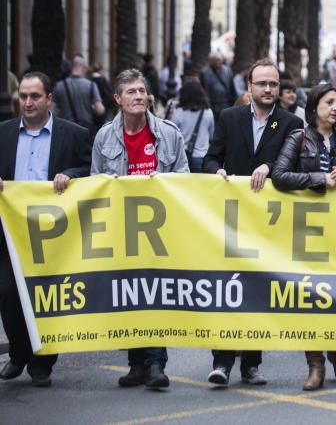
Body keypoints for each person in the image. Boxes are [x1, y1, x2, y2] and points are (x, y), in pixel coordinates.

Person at [202, 59, 304, 387]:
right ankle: (221, 361)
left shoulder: (291, 122)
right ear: (249, 87)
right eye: (262, 84)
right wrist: (215, 172)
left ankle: (251, 364)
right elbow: (210, 157)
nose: (268, 89)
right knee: (227, 288)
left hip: (267, 221)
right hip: (230, 218)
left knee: (256, 290)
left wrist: (269, 167)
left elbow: (295, 163)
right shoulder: (229, 118)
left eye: (273, 84)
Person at [91, 69, 189, 388]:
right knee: (129, 294)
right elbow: (95, 182)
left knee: (155, 293)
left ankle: (157, 364)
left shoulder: (169, 133)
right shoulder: (104, 137)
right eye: (131, 92)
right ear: (117, 99)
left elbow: (184, 176)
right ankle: (136, 365)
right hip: (122, 229)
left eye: (142, 91)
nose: (139, 97)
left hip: (159, 231)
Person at [0, 72, 91, 387]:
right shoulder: (3, 134)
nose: (27, 102)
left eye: (34, 96)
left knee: (48, 296)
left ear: (49, 98)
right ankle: (19, 353)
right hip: (11, 232)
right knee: (8, 293)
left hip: (55, 233)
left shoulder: (75, 135)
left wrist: (69, 173)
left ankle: (43, 362)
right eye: (23, 96)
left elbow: (89, 170)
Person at [271, 83, 336, 390]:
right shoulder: (298, 138)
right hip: (307, 232)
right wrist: (317, 178)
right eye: (329, 103)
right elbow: (280, 175)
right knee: (309, 298)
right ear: (314, 109)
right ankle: (316, 364)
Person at [52, 56, 105, 135]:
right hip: (85, 129)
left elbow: (52, 110)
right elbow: (99, 110)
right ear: (83, 68)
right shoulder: (91, 85)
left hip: (65, 130)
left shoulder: (59, 85)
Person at [170, 80, 215, 173]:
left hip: (182, 158)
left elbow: (171, 136)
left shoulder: (178, 112)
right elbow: (211, 135)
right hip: (202, 157)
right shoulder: (208, 112)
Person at [199, 53, 238, 119]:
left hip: (225, 104)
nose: (218, 62)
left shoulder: (228, 71)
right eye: (216, 60)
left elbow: (232, 88)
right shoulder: (205, 72)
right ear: (212, 61)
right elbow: (203, 89)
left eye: (220, 60)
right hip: (212, 104)